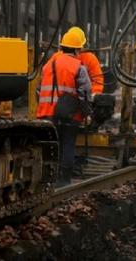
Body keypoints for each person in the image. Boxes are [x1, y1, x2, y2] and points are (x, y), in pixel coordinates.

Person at [37, 29, 92, 186]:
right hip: (69, 115)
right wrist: (87, 113)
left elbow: (39, 88)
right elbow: (85, 92)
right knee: (68, 143)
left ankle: (48, 179)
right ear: (76, 49)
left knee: (52, 145)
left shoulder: (49, 64)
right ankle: (65, 180)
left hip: (47, 114)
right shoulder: (78, 67)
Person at [68, 27, 104, 95]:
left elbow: (97, 80)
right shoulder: (90, 58)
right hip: (66, 100)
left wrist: (94, 94)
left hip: (65, 101)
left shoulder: (57, 58)